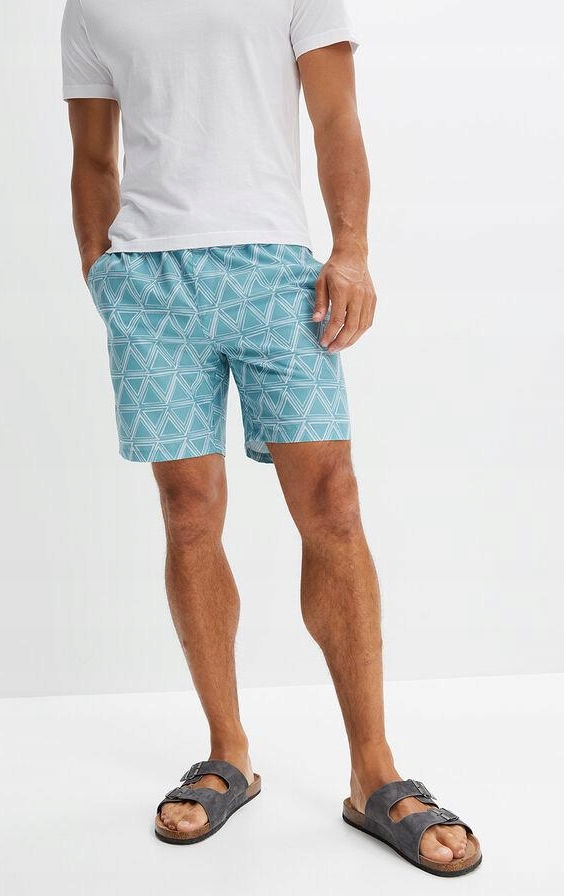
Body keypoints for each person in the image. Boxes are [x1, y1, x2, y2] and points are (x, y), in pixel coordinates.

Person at [61, 0, 481, 875]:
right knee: (188, 512)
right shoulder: (89, 5)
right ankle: (229, 755)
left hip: (275, 272)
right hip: (149, 281)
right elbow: (94, 156)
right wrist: (103, 273)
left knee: (333, 503)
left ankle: (374, 773)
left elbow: (336, 117)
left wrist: (351, 249)